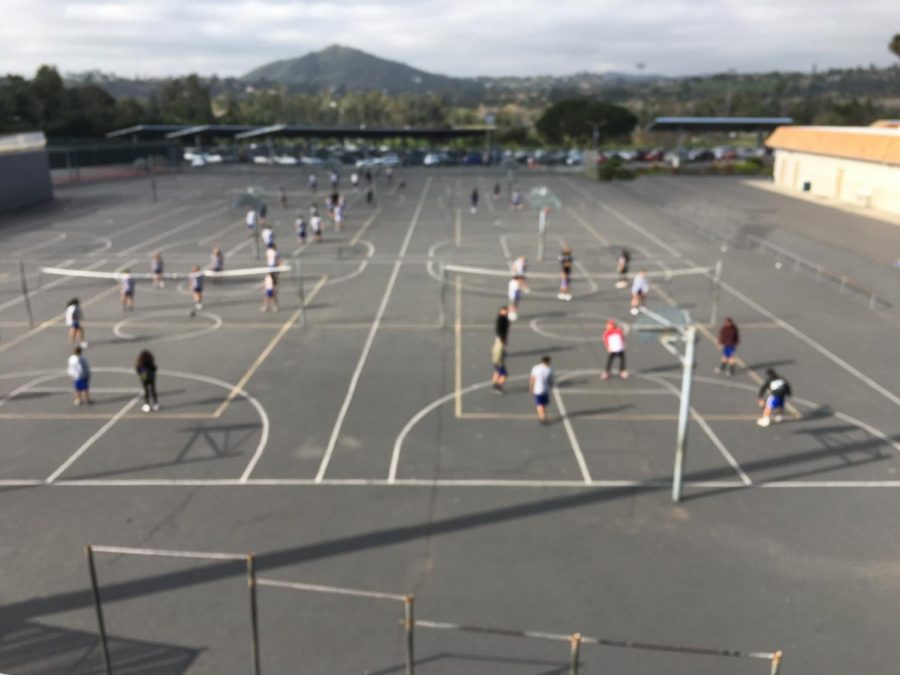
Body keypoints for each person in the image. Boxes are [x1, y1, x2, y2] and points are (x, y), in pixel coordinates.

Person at [529, 355, 554, 423]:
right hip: (545, 389)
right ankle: (542, 417)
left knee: (540, 404)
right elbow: (550, 380)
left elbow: (532, 378)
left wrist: (531, 387)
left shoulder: (536, 368)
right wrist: (551, 385)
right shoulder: (549, 370)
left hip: (537, 389)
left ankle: (542, 416)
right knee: (542, 404)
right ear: (548, 361)